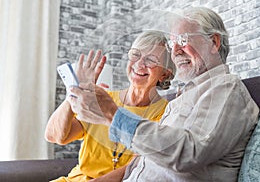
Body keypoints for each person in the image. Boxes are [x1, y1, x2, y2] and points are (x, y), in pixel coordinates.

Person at [67, 7, 260, 182]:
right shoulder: (183, 97)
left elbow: (189, 153)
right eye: (172, 43)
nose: (175, 51)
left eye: (183, 40)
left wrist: (112, 114)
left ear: (213, 42)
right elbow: (146, 161)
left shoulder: (226, 88)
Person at [44, 30, 175, 181]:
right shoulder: (103, 99)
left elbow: (135, 168)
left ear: (164, 74)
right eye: (135, 55)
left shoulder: (167, 113)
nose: (139, 64)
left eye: (151, 59)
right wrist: (75, 90)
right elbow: (55, 136)